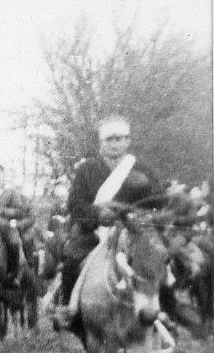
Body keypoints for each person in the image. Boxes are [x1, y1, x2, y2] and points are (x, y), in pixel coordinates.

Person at [52, 115, 166, 329]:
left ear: (128, 141)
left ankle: (164, 312)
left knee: (157, 260)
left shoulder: (141, 168)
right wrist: (97, 214)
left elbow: (160, 199)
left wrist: (135, 212)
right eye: (110, 139)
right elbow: (75, 204)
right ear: (101, 143)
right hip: (94, 231)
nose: (115, 144)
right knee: (71, 260)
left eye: (120, 139)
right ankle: (69, 309)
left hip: (133, 232)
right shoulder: (87, 169)